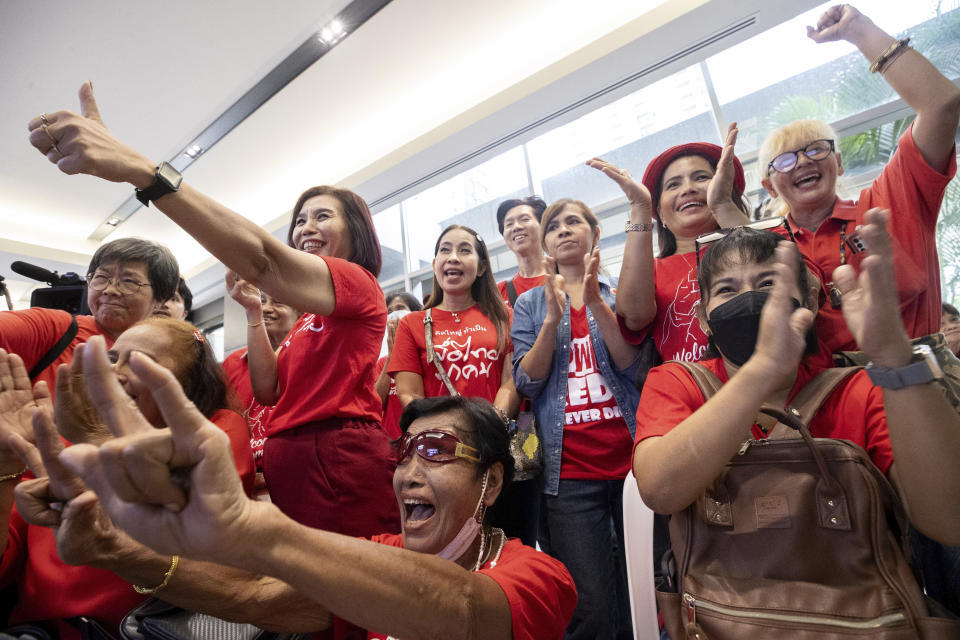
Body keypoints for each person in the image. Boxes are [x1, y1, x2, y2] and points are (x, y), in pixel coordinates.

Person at [29, 84, 399, 542]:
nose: (306, 228)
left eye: (323, 216)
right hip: (297, 458)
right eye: (300, 220)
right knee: (308, 593)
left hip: (338, 452)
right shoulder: (308, 317)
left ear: (356, 230)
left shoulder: (357, 282)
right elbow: (267, 390)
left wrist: (145, 173)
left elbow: (264, 260)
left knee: (349, 591)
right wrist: (252, 314)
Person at [45, 347, 577, 640]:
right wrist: (116, 552)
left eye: (436, 449)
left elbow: (462, 610)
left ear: (494, 481)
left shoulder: (538, 574)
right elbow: (249, 599)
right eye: (403, 453)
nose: (409, 472)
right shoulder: (380, 553)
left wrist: (256, 532)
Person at [632, 211, 960, 606]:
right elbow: (660, 489)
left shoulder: (860, 390)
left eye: (768, 283)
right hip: (722, 617)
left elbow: (950, 521)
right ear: (704, 320)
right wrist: (763, 371)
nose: (750, 300)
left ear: (809, 300)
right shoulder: (678, 383)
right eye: (726, 290)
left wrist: (895, 359)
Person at [0, 318, 254, 639]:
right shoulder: (63, 441)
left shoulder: (216, 430)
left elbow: (193, 536)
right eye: (110, 358)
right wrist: (5, 466)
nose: (114, 373)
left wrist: (96, 438)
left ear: (187, 388)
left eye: (138, 362)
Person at [757, 5, 960, 372]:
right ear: (769, 186)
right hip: (826, 412)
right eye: (785, 160)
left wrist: (861, 31)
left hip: (924, 385)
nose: (803, 161)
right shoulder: (766, 248)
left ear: (839, 163)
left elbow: (940, 104)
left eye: (817, 148)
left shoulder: (889, 201)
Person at [511, 199, 647, 640]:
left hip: (635, 468)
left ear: (594, 233)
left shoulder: (618, 289)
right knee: (588, 605)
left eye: (574, 222)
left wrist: (594, 304)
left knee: (641, 591)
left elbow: (636, 369)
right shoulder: (530, 304)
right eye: (554, 226)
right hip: (568, 475)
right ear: (546, 242)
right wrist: (552, 320)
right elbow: (527, 383)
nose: (564, 230)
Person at [592, 122, 750, 363]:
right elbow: (633, 317)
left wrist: (723, 204)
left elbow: (789, 275)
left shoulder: (766, 239)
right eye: (673, 184)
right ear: (660, 214)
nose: (688, 189)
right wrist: (640, 208)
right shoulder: (651, 271)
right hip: (692, 395)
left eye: (701, 177)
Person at [0, 237, 179, 395]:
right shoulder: (53, 327)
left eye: (129, 281)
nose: (110, 290)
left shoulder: (174, 356)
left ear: (161, 297)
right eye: (101, 277)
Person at [388, 225, 519, 419]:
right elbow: (410, 394)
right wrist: (444, 430)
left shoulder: (504, 317)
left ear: (482, 267)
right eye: (445, 250)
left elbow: (511, 382)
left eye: (465, 250)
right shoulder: (411, 324)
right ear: (434, 265)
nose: (453, 257)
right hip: (439, 441)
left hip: (493, 436)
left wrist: (492, 423)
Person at [221, 289, 299, 498]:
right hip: (241, 482)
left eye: (278, 302)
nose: (266, 308)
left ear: (299, 315)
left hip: (296, 477)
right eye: (262, 301)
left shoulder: (307, 359)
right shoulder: (233, 363)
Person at [374, 291, 422, 441]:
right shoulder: (382, 362)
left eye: (400, 308)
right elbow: (376, 403)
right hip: (391, 443)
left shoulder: (426, 356)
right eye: (390, 311)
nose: (394, 315)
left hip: (421, 437)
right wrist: (392, 357)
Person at [495, 196, 548, 307]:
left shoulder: (566, 278)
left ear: (543, 227)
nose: (516, 227)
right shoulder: (498, 294)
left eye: (524, 219)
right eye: (509, 224)